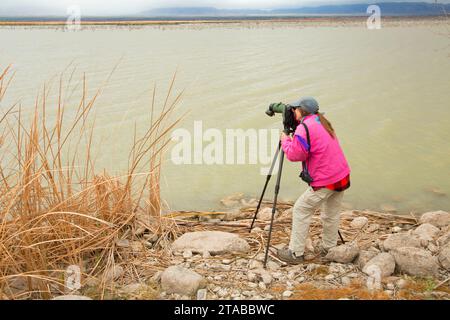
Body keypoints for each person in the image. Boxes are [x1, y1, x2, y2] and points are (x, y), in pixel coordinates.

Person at [277, 97, 351, 264]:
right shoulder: (321, 120)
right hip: (342, 175)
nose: (293, 111)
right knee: (331, 213)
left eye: (295, 109)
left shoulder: (304, 128)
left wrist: (285, 138)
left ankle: (295, 253)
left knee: (300, 210)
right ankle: (329, 248)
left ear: (301, 111)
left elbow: (295, 155)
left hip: (325, 180)